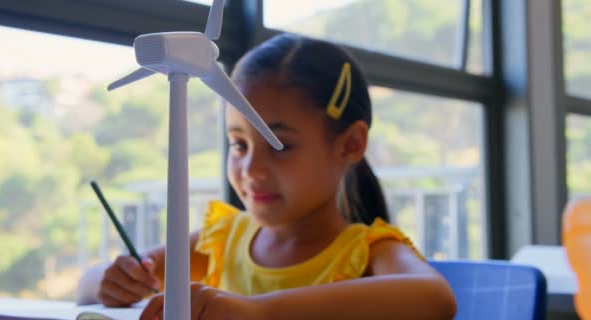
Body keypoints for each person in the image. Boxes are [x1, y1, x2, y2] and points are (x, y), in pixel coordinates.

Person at [77, 33, 457, 320]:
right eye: (239, 145)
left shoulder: (367, 252)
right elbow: (87, 286)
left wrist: (257, 312)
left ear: (350, 144)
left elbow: (435, 299)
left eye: (278, 145)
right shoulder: (220, 241)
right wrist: (113, 282)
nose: (251, 170)